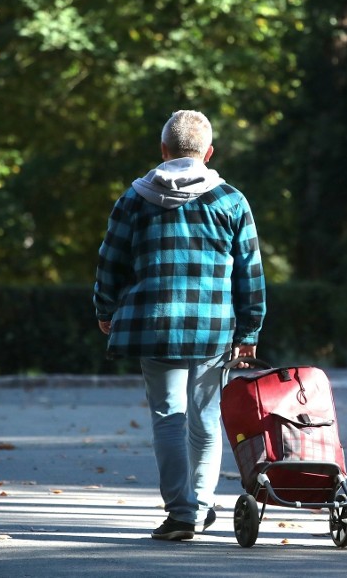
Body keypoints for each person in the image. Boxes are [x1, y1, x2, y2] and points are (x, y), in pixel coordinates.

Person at [93, 110, 266, 541]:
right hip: (212, 328)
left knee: (168, 417)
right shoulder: (230, 201)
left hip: (155, 326)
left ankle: (181, 513)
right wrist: (249, 332)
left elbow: (110, 260)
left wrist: (105, 307)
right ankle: (202, 504)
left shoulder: (134, 199)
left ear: (163, 151)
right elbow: (251, 274)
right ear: (208, 153)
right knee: (205, 420)